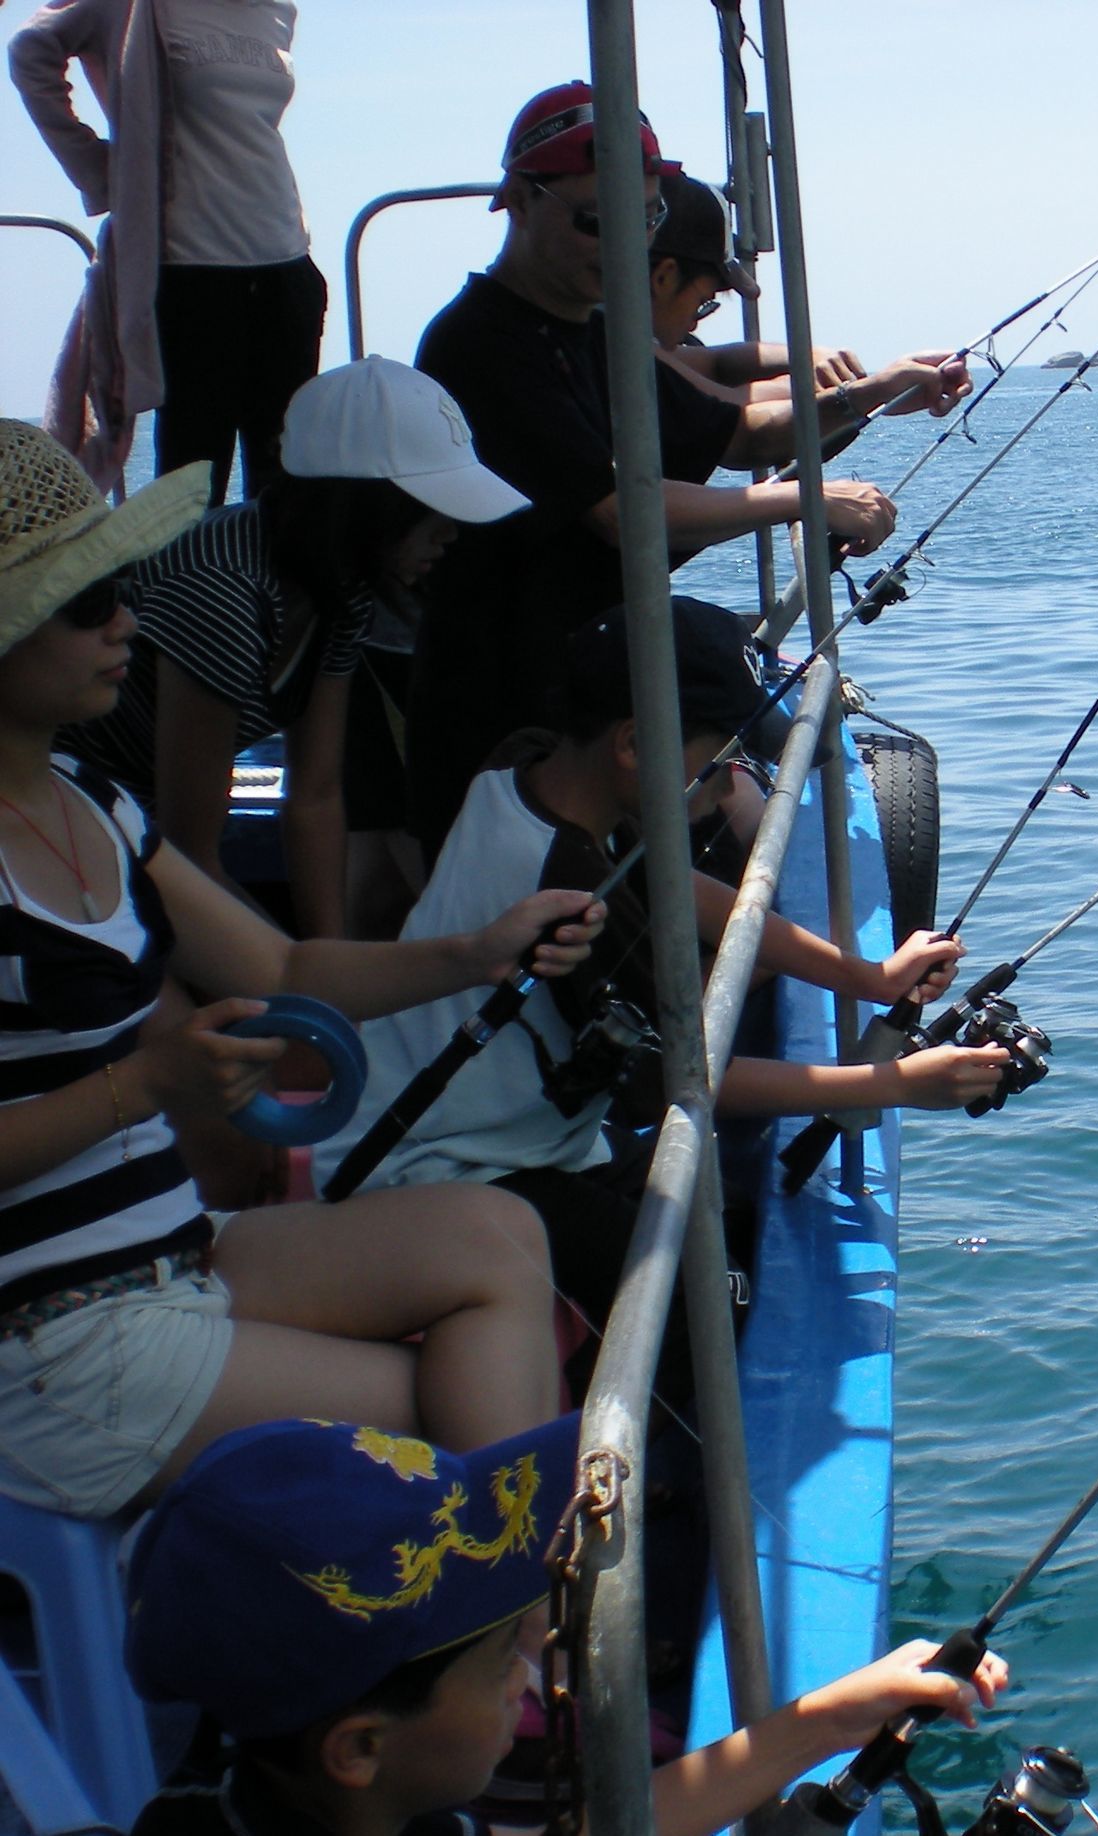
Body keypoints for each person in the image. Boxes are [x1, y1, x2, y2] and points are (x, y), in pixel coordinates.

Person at [0, 420, 603, 1519]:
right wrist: (149, 1086)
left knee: (498, 1230)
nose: (127, 620)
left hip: (172, 1260)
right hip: (47, 1339)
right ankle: (514, 1657)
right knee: (453, 1408)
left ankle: (498, 1644)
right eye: (90, 602)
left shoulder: (99, 802)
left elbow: (283, 964)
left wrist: (474, 952)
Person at [316, 597, 1004, 1384]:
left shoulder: (531, 765)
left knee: (719, 1210)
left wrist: (863, 975)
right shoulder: (565, 899)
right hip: (441, 1174)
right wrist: (894, 1083)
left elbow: (672, 882)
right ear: (636, 746)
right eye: (719, 767)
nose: (727, 791)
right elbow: (682, 1079)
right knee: (719, 1297)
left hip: (483, 1134)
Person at [403, 82, 969, 852]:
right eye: (597, 222)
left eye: (643, 221)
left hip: (583, 687)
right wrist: (807, 499)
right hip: (495, 709)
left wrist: (879, 393)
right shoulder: (481, 344)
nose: (623, 248)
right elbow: (620, 511)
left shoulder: (594, 332)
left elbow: (737, 431)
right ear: (520, 200)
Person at [124, 1415, 1011, 1836]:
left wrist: (829, 1719)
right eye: (498, 1658)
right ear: (358, 1748)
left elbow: (607, 1829)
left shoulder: (279, 1809)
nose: (531, 1669)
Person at [63, 358, 527, 939]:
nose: (451, 531)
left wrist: (329, 955)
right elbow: (187, 852)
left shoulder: (342, 589)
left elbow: (315, 795)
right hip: (71, 809)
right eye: (431, 509)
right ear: (363, 506)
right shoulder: (223, 596)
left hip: (136, 820)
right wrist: (306, 984)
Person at [11, 0, 325, 498]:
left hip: (287, 262)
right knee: (191, 486)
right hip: (190, 272)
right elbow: (30, 52)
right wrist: (98, 170)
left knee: (286, 479)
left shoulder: (277, 10)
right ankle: (185, 579)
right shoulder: (137, 7)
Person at [647, 172, 968, 422]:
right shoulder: (611, 358)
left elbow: (717, 366)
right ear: (664, 278)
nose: (695, 324)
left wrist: (827, 364)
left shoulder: (642, 350)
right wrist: (869, 392)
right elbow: (730, 416)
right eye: (703, 301)